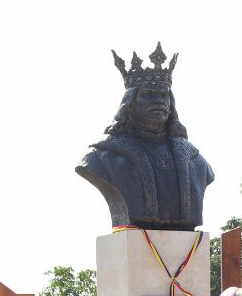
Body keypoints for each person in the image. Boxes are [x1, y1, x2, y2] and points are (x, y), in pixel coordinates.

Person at [75, 43, 215, 230]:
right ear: (129, 103)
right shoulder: (101, 158)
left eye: (164, 95)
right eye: (149, 94)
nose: (159, 101)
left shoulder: (197, 162)